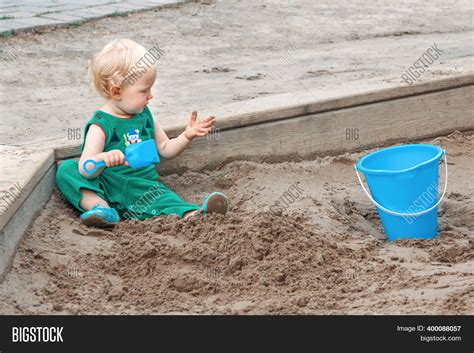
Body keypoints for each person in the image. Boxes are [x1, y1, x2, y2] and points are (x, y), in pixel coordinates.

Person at [56, 39, 228, 228]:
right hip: (106, 185)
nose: (151, 95)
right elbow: (86, 169)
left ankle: (195, 213)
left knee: (165, 199)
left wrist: (187, 136)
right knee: (66, 170)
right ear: (116, 91)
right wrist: (104, 158)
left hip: (142, 187)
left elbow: (165, 148)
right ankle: (101, 209)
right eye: (144, 90)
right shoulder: (101, 125)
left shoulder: (145, 116)